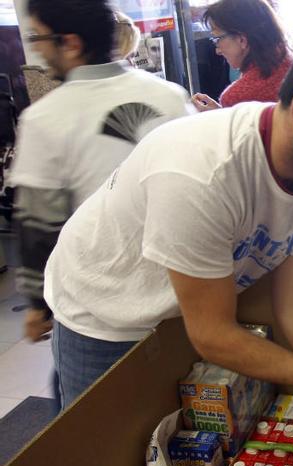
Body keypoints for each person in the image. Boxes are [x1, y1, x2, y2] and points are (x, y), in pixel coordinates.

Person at [44, 35, 293, 431]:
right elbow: (213, 334)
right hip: (104, 310)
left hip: (179, 308)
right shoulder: (202, 172)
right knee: (98, 453)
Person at [9, 0, 192, 346]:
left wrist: (38, 305)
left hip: (98, 313)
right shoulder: (170, 96)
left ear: (72, 43)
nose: (37, 48)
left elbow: (38, 224)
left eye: (38, 37)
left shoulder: (46, 117)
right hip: (180, 299)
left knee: (87, 400)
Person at [192, 0, 293, 269]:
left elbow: (242, 163)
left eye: (218, 39)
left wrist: (222, 121)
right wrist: (225, 115)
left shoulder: (240, 94)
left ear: (242, 39)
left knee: (285, 300)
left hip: (289, 218)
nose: (216, 49)